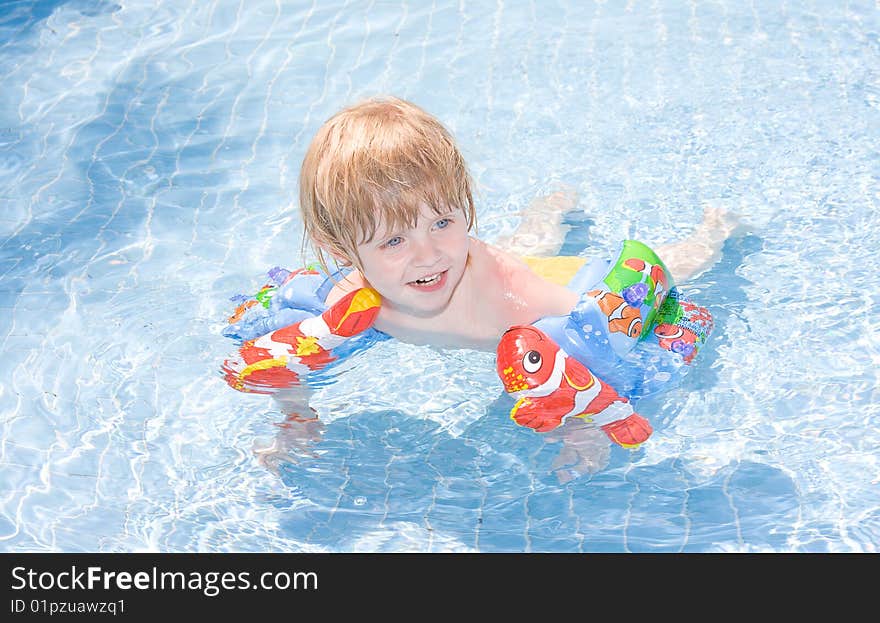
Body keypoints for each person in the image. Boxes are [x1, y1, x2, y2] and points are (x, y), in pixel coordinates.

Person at [223, 96, 739, 480]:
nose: (429, 254)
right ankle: (551, 208)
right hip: (492, 268)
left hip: (538, 285)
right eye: (395, 239)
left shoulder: (507, 296)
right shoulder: (348, 304)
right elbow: (291, 357)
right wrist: (296, 414)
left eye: (445, 221)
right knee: (524, 242)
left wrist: (579, 426)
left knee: (672, 265)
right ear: (339, 249)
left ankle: (712, 230)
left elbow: (588, 340)